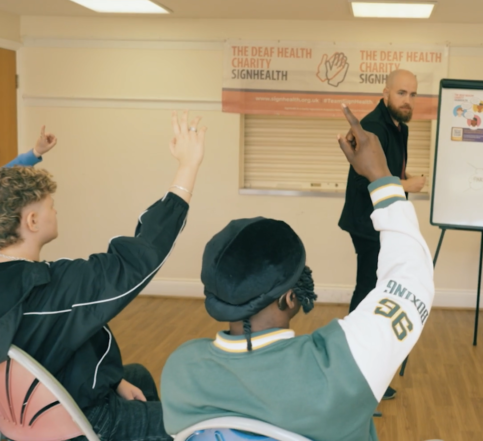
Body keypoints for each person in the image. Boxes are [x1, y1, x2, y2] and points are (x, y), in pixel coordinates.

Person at [161, 105, 434, 441]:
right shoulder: (342, 366)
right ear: (291, 297)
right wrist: (381, 177)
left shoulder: (180, 371)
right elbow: (411, 280)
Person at [0, 111, 206, 440]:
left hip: (21, 416)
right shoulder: (53, 287)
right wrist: (188, 167)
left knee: (134, 376)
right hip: (81, 419)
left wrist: (31, 156)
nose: (56, 209)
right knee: (198, 422)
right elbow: (138, 258)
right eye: (51, 205)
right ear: (33, 222)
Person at [338, 69, 426, 399]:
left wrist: (401, 182)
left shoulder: (396, 125)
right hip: (368, 224)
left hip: (381, 221)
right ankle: (355, 369)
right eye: (402, 93)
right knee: (369, 293)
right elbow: (366, 181)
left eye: (413, 95)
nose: (408, 100)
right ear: (386, 92)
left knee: (374, 292)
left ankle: (361, 368)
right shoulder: (374, 126)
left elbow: (387, 171)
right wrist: (407, 186)